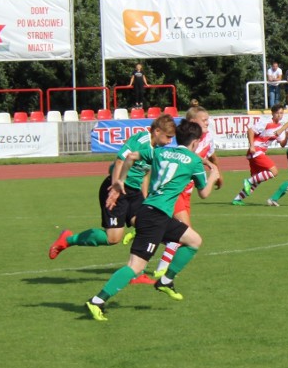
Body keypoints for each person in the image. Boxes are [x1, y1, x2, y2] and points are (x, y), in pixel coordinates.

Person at [84, 120, 220, 322]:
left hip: (157, 213)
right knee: (135, 267)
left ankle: (165, 281)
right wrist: (213, 175)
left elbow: (130, 157)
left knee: (194, 240)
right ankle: (97, 301)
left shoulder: (160, 152)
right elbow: (205, 193)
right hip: (155, 216)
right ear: (196, 142)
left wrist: (119, 181)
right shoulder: (193, 161)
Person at [49, 115, 177, 284]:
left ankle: (137, 273)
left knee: (145, 224)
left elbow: (146, 173)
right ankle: (68, 239)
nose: (169, 142)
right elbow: (119, 162)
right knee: (113, 238)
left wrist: (145, 199)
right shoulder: (140, 140)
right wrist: (116, 188)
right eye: (168, 137)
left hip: (134, 193)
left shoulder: (157, 150)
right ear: (157, 131)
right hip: (116, 188)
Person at [152, 106, 223, 278]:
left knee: (183, 233)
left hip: (188, 192)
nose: (207, 122)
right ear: (193, 123)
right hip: (177, 191)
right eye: (203, 120)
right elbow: (187, 156)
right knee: (185, 232)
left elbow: (211, 155)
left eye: (208, 119)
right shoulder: (189, 140)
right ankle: (162, 270)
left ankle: (150, 238)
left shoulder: (208, 138)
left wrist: (216, 171)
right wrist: (207, 165)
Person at [233, 104, 288, 205]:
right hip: (256, 150)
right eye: (277, 113)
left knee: (257, 180)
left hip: (259, 152)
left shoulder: (279, 127)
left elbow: (282, 144)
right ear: (272, 113)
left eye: (281, 113)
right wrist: (251, 146)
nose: (279, 115)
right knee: (274, 172)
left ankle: (237, 199)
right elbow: (250, 130)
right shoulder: (266, 122)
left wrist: (286, 137)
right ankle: (248, 181)